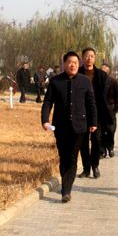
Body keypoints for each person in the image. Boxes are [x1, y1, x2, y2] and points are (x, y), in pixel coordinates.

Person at [41, 51, 97, 203]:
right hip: (60, 127)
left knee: (72, 157)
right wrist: (45, 120)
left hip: (79, 127)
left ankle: (66, 190)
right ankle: (66, 186)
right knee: (63, 156)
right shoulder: (55, 81)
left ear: (79, 65)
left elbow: (91, 103)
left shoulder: (85, 81)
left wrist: (93, 123)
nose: (73, 65)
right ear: (64, 64)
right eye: (70, 62)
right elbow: (47, 102)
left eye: (76, 63)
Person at [77, 47, 112, 179]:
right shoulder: (77, 73)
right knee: (83, 142)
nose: (89, 58)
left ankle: (95, 165)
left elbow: (105, 95)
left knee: (97, 140)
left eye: (91, 56)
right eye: (87, 56)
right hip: (81, 112)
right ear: (82, 58)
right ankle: (86, 169)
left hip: (97, 113)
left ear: (95, 58)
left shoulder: (101, 75)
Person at [100, 63, 118, 158]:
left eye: (105, 70)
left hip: (110, 111)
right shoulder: (95, 81)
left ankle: (110, 148)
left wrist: (116, 108)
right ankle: (102, 151)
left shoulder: (113, 82)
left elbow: (117, 95)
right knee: (100, 132)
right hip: (99, 111)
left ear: (108, 72)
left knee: (110, 130)